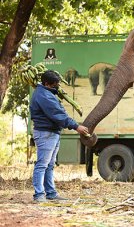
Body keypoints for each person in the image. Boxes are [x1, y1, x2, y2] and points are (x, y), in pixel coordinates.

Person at [30, 70, 89, 202]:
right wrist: (76, 126)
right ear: (46, 83)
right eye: (55, 84)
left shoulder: (48, 93)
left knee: (49, 165)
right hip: (45, 133)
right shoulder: (44, 96)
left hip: (52, 132)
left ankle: (51, 193)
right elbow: (58, 115)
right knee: (42, 164)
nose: (57, 86)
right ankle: (39, 195)